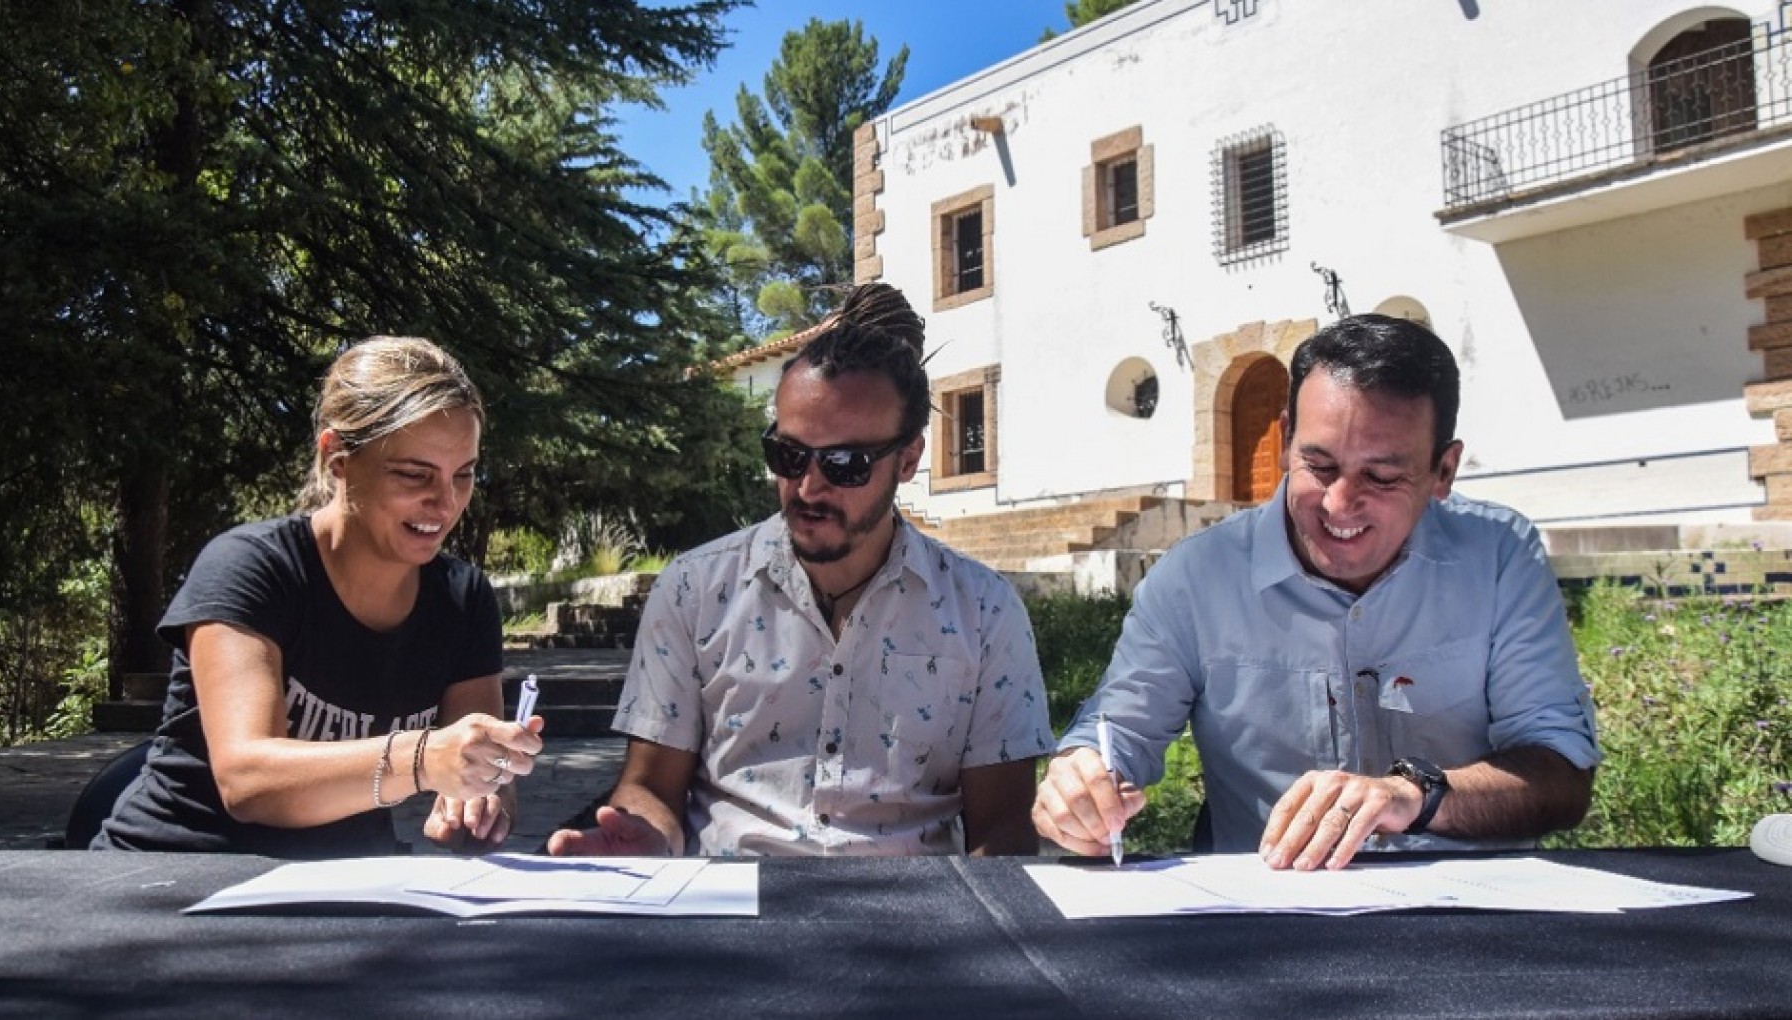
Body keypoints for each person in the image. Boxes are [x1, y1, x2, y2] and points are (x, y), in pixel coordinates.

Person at [1033, 314, 1600, 870]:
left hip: (1471, 914)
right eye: (1319, 465)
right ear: (1285, 439)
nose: (1338, 505)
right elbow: (1118, 731)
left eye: (1381, 477)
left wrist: (1413, 797)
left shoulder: (1498, 557)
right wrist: (1079, 782)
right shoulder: (1197, 578)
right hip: (1266, 919)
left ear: (1444, 471)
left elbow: (1561, 776)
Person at [547, 283, 1053, 857]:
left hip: (912, 924)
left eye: (845, 464)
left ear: (909, 459)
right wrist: (643, 835)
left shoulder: (983, 610)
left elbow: (1003, 827)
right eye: (788, 456)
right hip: (731, 911)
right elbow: (651, 788)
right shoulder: (693, 589)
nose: (809, 487)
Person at [95, 336, 542, 858]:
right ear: (337, 458)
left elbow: (479, 763)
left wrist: (483, 794)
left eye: (463, 475)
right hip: (177, 870)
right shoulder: (252, 567)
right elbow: (249, 782)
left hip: (348, 878)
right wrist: (422, 759)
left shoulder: (463, 599)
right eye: (414, 474)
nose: (444, 502)